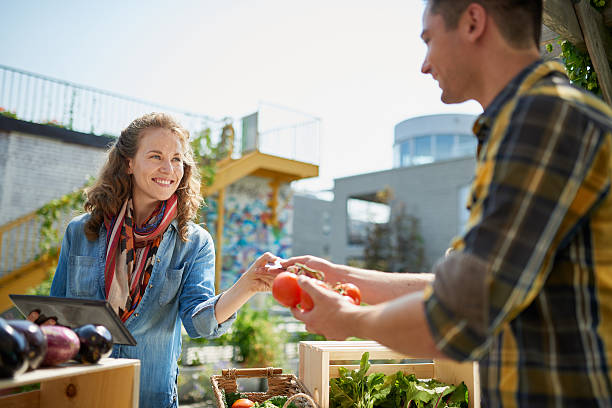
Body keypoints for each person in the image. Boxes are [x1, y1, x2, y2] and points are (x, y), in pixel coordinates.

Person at [285, 0, 612, 406]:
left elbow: (461, 311)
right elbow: (465, 284)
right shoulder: (532, 119)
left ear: (473, 21)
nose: (424, 64)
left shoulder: (541, 120)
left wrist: (348, 320)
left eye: (429, 39)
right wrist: (342, 274)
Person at [29, 112, 280, 407]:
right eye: (156, 156)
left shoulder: (194, 242)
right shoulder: (82, 231)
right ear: (129, 163)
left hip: (150, 396)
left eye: (176, 159)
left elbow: (199, 324)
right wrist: (43, 325)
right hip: (80, 392)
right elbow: (59, 309)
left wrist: (247, 286)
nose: (169, 168)